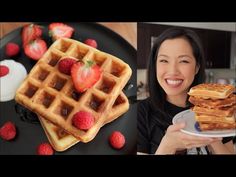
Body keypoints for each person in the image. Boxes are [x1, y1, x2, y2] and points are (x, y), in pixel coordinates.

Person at [137, 27, 235, 155]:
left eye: (183, 61)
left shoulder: (215, 109)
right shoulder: (141, 113)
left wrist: (210, 133)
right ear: (155, 65)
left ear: (197, 67)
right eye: (164, 60)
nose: (173, 71)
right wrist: (167, 145)